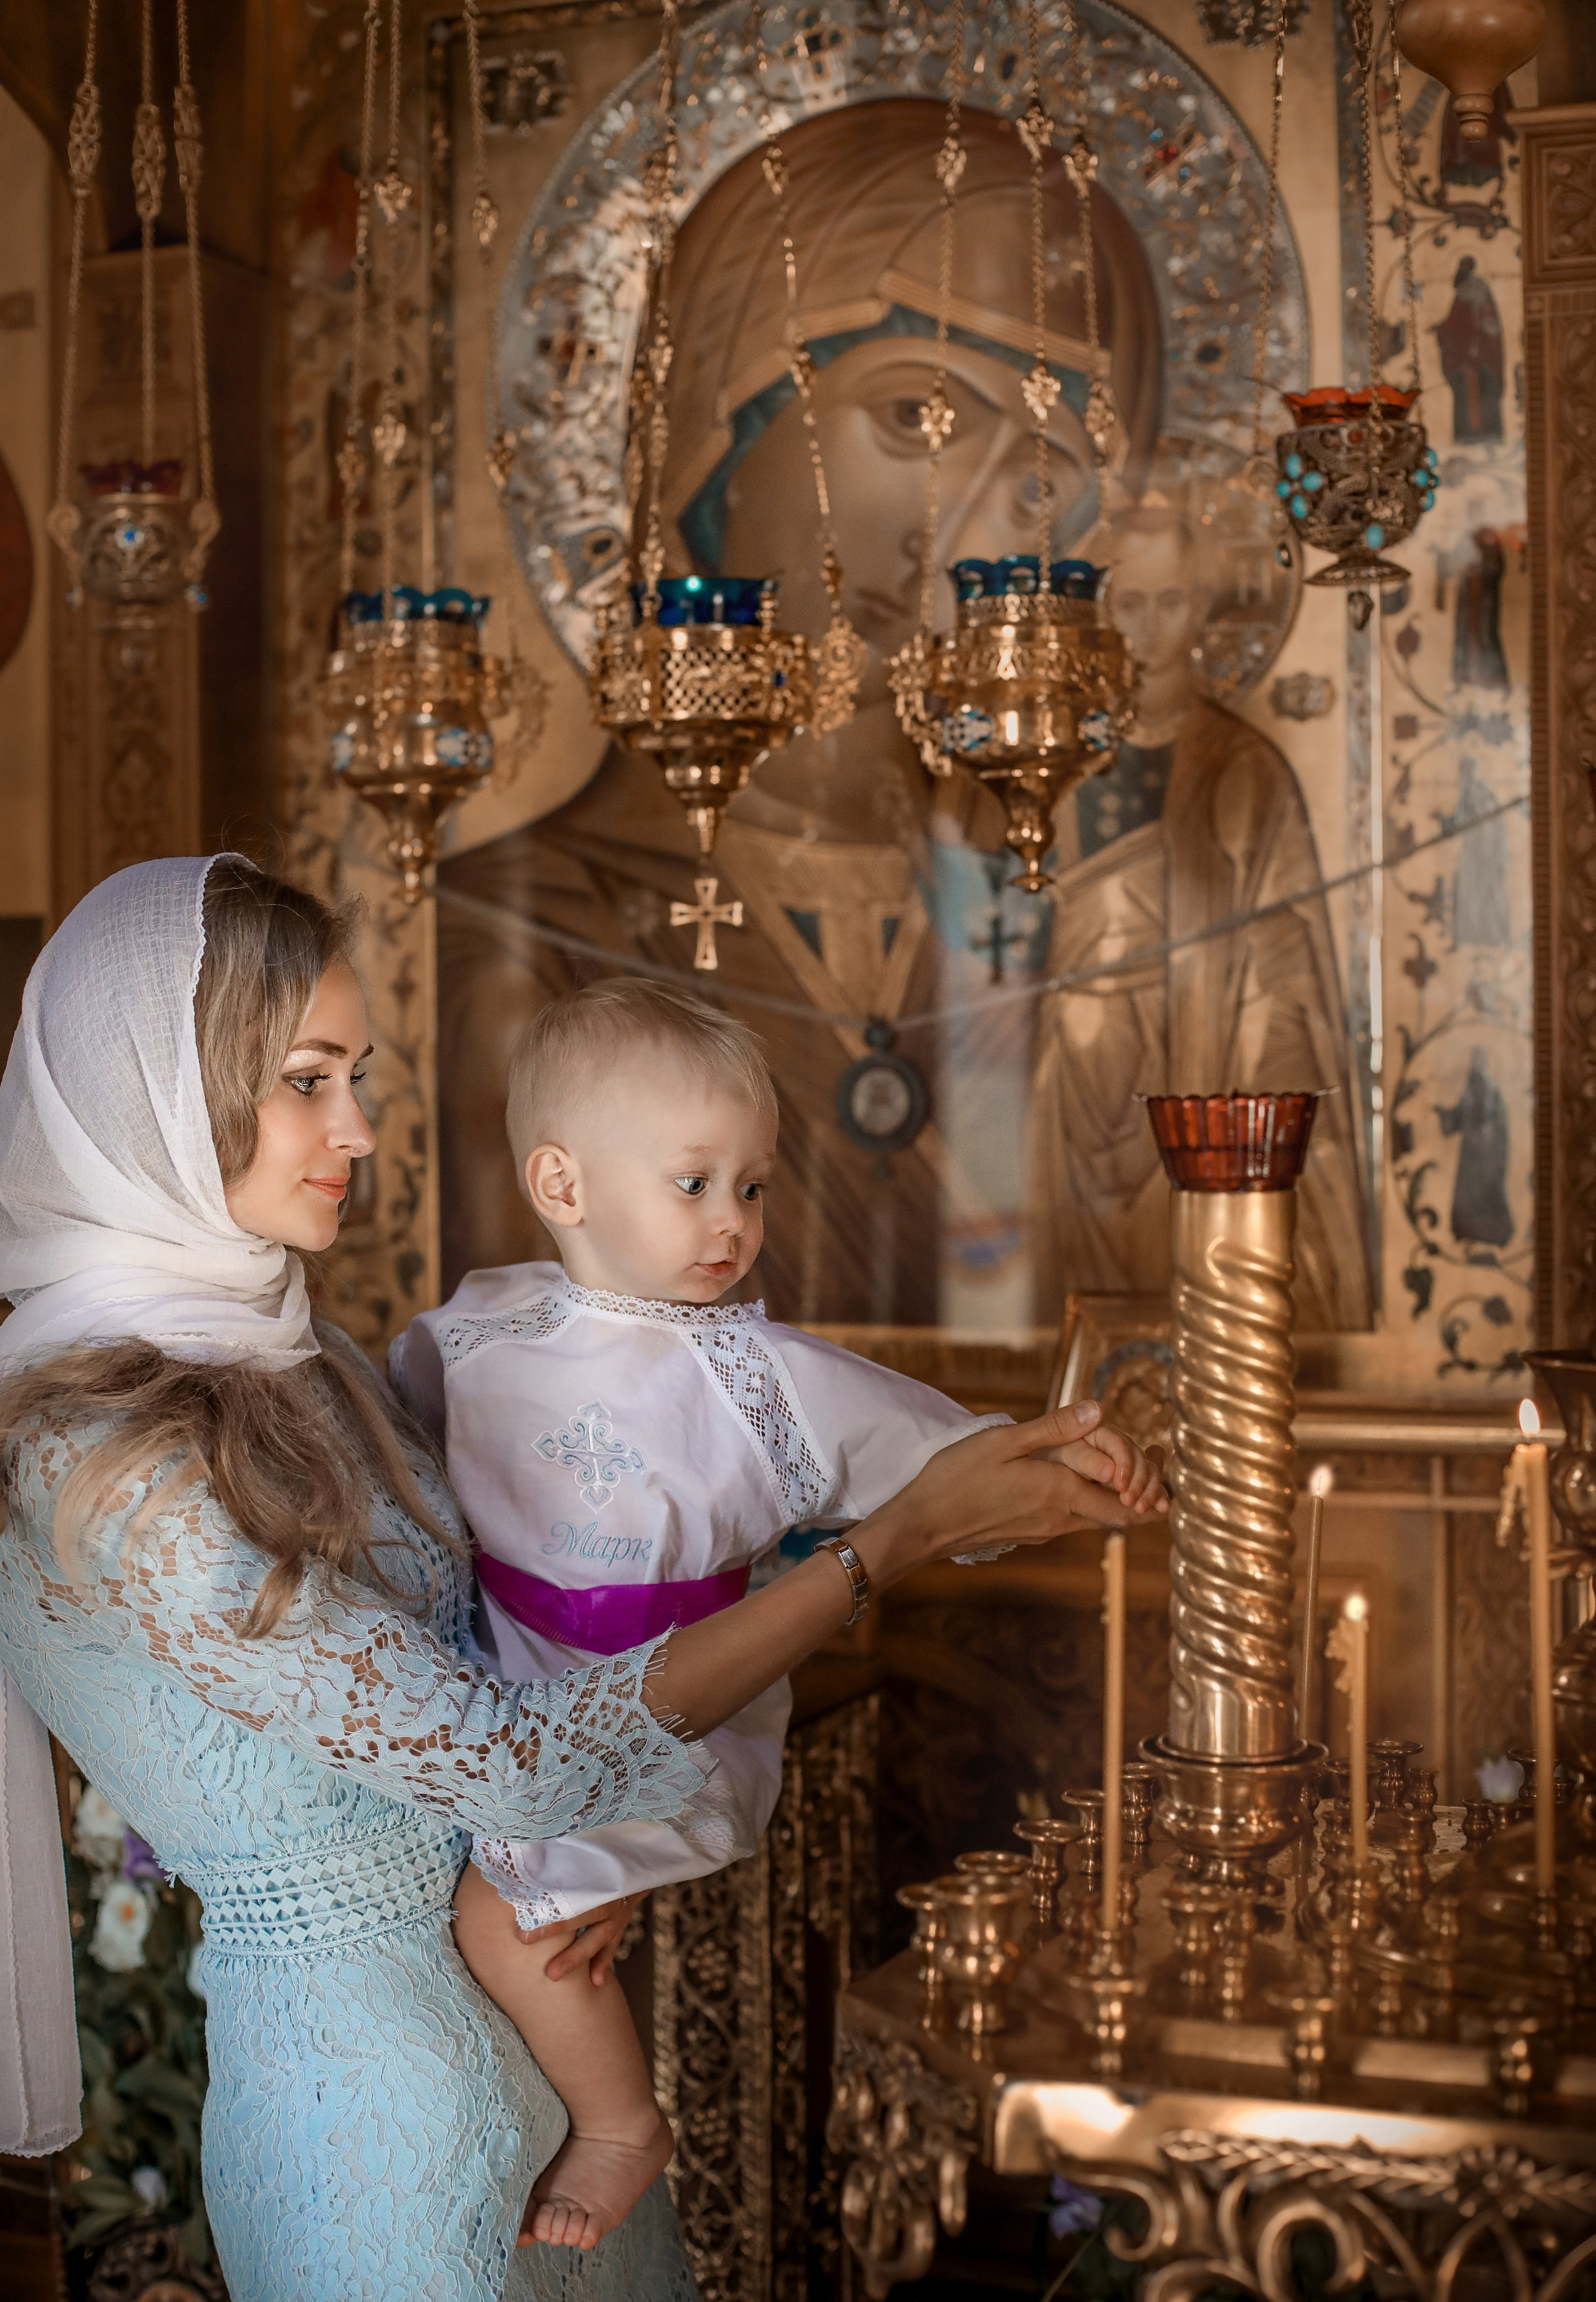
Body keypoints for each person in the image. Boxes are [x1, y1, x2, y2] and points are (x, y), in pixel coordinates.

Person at [0, 854, 1159, 2302]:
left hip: (549, 2064)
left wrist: (586, 1868)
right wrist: (890, 1543)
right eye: (308, 1078)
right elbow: (519, 1763)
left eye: (356, 1073)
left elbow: (545, 1614)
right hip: (380, 2125)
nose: (358, 1126)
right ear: (164, 1096)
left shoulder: (309, 1359)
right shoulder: (99, 1455)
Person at [388, 978, 1166, 2252]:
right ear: (561, 1185)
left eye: (751, 1186)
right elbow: (393, 1426)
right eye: (693, 1183)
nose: (732, 1222)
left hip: (683, 1718)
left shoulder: (763, 1381)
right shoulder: (481, 1332)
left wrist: (1077, 1471)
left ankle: (620, 2122)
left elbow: (939, 1462)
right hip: (523, 1681)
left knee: (501, 1915)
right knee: (482, 1894)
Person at [438, 99, 1165, 1325]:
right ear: (712, 434)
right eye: (916, 417)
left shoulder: (1078, 916)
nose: (962, 522)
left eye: (1039, 476)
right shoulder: (520, 935)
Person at [1024, 505, 1372, 1332]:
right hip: (1073, 1085)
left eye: (1171, 601)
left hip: (1202, 1068)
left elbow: (1288, 966)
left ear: (1204, 607)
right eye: (1129, 603)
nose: (1150, 628)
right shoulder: (1044, 761)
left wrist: (1253, 1089)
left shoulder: (1246, 768)